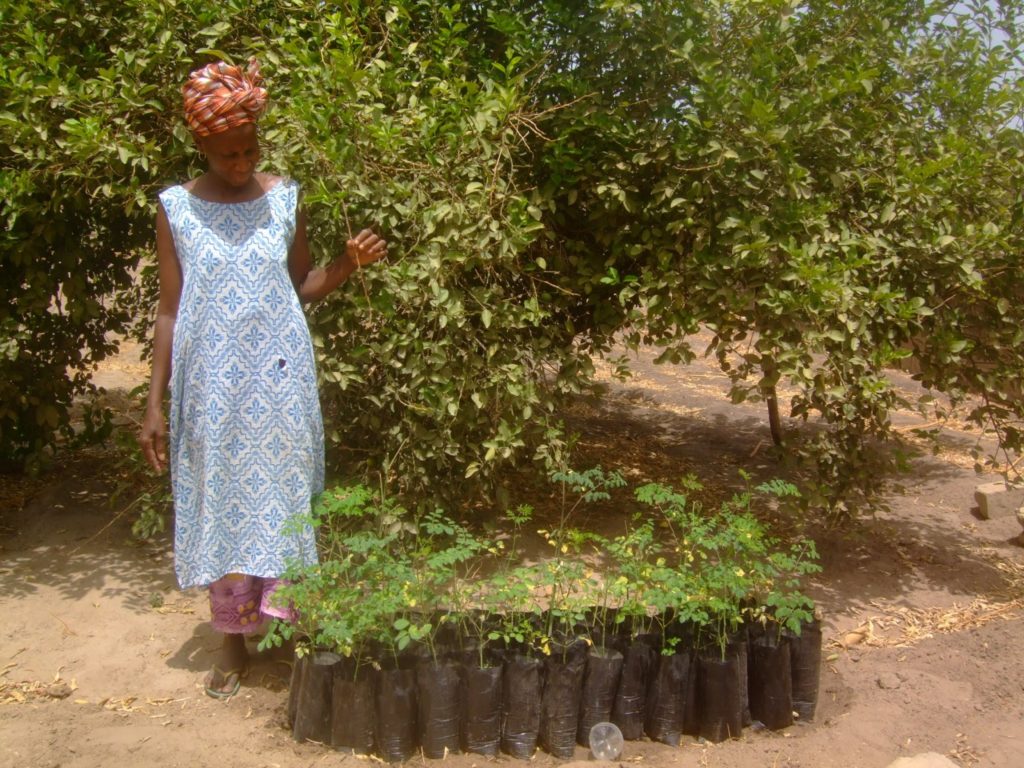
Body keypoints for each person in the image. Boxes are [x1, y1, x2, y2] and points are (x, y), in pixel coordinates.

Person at [138, 58, 387, 698]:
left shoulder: (284, 199)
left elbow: (302, 286)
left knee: (284, 498)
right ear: (201, 144)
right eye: (227, 154)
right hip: (209, 387)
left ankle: (293, 632)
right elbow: (169, 309)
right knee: (219, 497)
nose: (242, 162)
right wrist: (153, 403)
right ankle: (233, 640)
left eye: (250, 149)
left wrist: (348, 265)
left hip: (279, 381)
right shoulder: (176, 210)